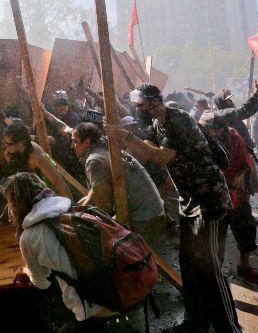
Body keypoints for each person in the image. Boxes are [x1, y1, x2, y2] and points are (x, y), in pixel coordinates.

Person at [105, 83, 240, 333]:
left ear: (156, 101)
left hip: (208, 199)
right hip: (189, 201)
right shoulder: (159, 124)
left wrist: (123, 136)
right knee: (188, 263)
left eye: (142, 104)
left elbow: (162, 156)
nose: (139, 109)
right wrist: (120, 131)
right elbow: (146, 151)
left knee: (208, 268)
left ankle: (229, 328)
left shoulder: (178, 119)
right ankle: (196, 322)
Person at [1, 173, 146, 332]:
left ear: (16, 203)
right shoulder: (73, 209)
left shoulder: (28, 237)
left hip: (98, 315)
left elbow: (42, 283)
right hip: (131, 295)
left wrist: (26, 271)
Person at [71, 122, 166, 250]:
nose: (72, 146)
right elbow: (96, 190)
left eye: (75, 141)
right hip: (155, 215)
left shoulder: (94, 161)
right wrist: (81, 206)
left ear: (87, 142)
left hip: (143, 222)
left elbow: (104, 205)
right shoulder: (107, 147)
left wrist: (81, 222)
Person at [199, 113, 258, 285]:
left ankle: (244, 268)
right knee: (215, 239)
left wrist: (238, 177)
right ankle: (214, 277)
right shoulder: (198, 140)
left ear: (220, 128)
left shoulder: (234, 137)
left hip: (237, 195)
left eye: (212, 129)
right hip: (215, 199)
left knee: (246, 230)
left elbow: (247, 161)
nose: (208, 132)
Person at [0, 120, 72, 225]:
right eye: (4, 142)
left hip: (33, 195)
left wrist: (71, 210)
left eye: (9, 144)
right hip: (16, 186)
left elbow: (60, 184)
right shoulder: (9, 146)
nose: (5, 146)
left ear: (21, 142)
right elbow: (1, 149)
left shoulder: (37, 157)